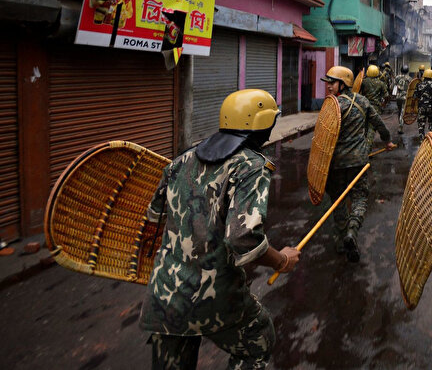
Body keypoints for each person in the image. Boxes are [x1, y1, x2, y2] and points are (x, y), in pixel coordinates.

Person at [140, 89, 300, 370]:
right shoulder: (251, 166)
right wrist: (282, 260)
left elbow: (152, 219)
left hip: (164, 295)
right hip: (215, 297)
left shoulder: (180, 162)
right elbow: (243, 238)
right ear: (264, 125)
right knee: (258, 340)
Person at [321, 66, 395, 263]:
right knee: (360, 197)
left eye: (332, 82)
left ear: (343, 83)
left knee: (338, 199)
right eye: (328, 83)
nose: (328, 87)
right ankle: (352, 230)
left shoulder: (333, 106)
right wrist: (387, 140)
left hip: (337, 163)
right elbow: (379, 123)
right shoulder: (362, 101)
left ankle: (340, 239)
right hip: (359, 160)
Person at [414, 68, 432, 139]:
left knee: (421, 122)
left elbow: (415, 96)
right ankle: (431, 137)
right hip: (431, 107)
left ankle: (421, 136)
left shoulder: (419, 85)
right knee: (431, 122)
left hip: (422, 106)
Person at [395, 65, 411, 134]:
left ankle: (400, 123)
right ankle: (400, 126)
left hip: (398, 96)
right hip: (405, 97)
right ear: (407, 71)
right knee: (402, 111)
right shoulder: (410, 78)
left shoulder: (397, 77)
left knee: (399, 110)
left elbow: (395, 85)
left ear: (401, 70)